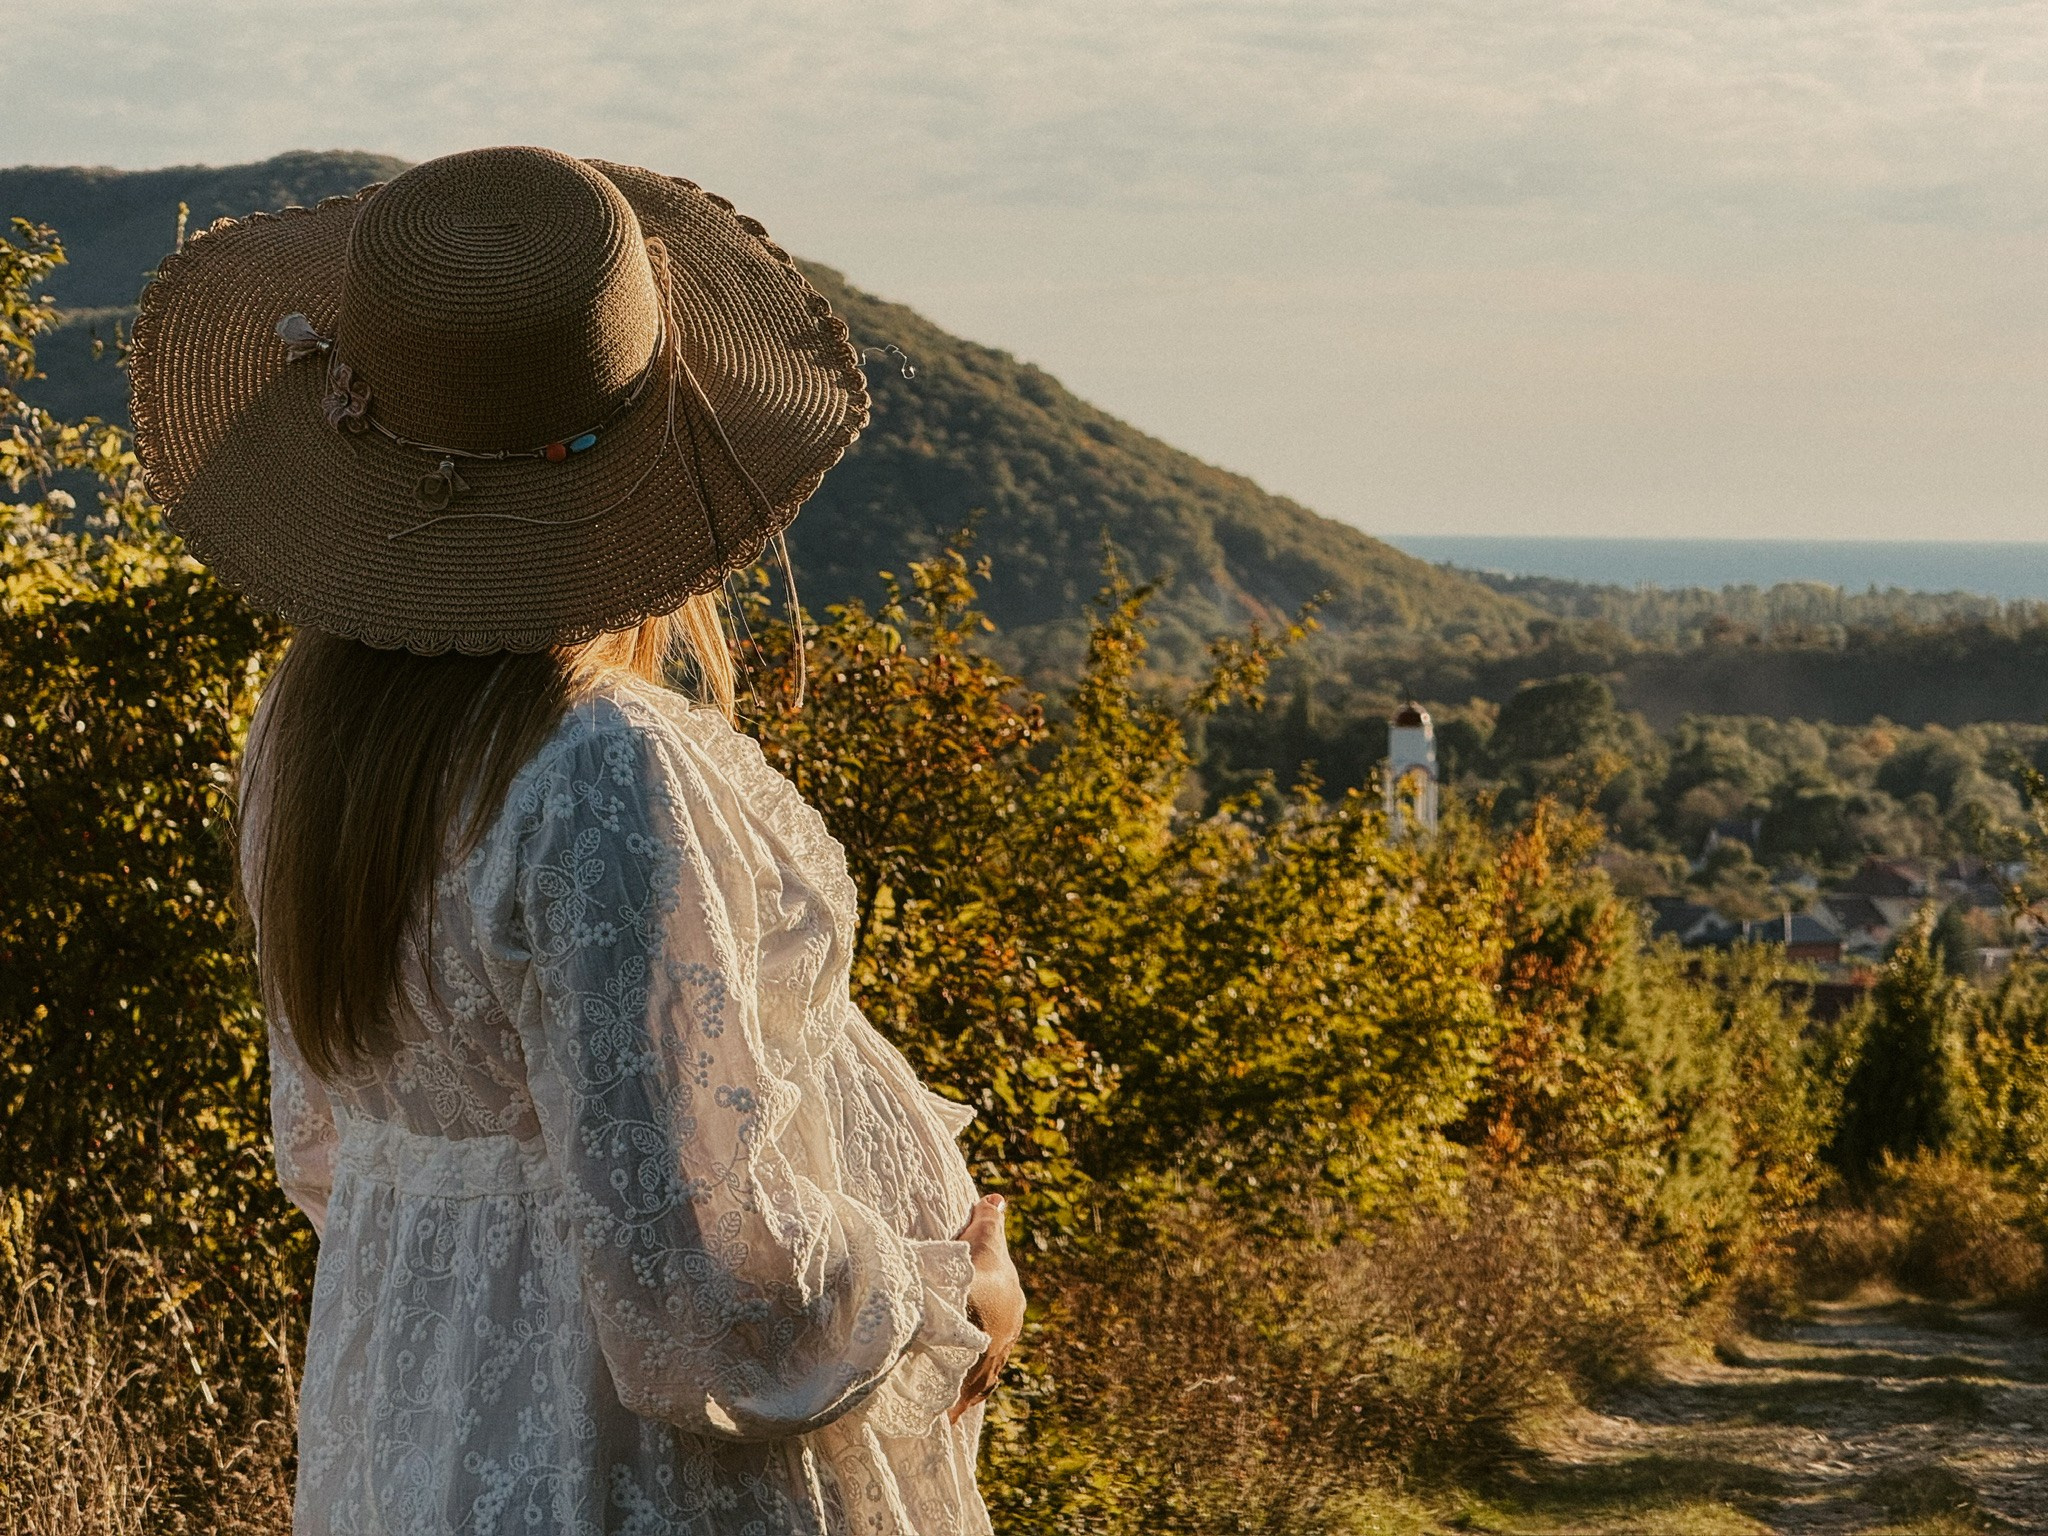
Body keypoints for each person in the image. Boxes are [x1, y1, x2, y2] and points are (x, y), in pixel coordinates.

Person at [128, 145, 1024, 1536]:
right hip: (618, 1474)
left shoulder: (308, 757)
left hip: (424, 1422)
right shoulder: (600, 771)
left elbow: (333, 1151)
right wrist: (935, 1292)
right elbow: (697, 1306)